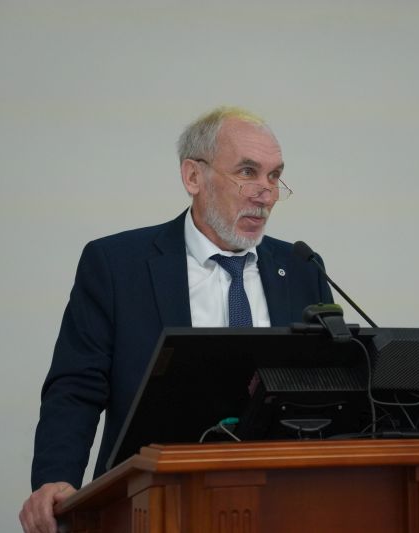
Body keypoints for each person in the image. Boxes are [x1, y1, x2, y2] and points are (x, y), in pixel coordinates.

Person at [19, 106, 333, 533]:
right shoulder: (117, 266)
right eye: (247, 172)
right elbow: (77, 387)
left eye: (274, 176)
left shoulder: (301, 269)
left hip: (282, 502)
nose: (266, 193)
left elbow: (327, 387)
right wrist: (56, 478)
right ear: (193, 177)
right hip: (151, 500)